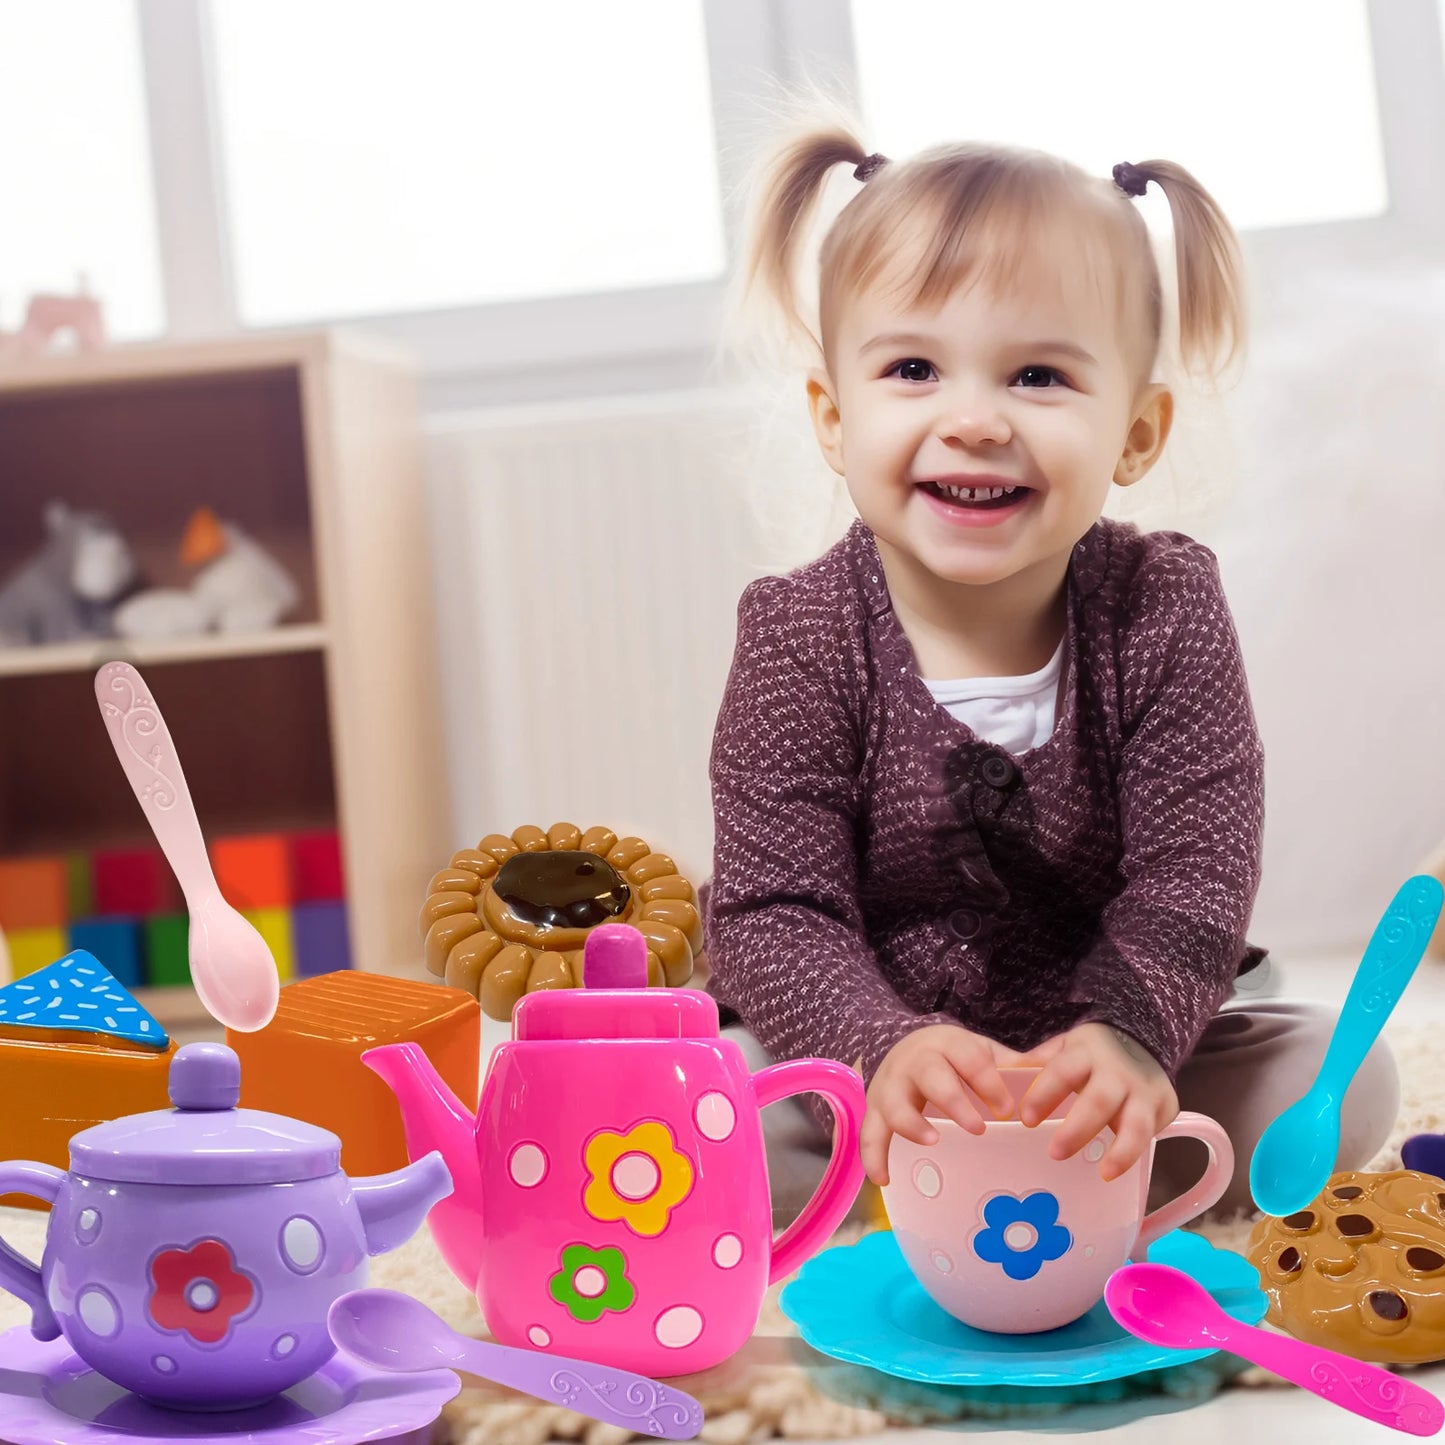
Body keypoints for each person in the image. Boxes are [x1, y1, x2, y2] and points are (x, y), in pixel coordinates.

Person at [704, 119, 1397, 1220]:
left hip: (1100, 1045)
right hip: (877, 1054)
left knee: (1340, 1077)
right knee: (705, 1119)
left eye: (1036, 374)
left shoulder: (1161, 606)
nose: (972, 419)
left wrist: (1126, 1036)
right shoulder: (797, 632)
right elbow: (774, 908)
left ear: (1134, 432)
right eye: (912, 368)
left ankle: (1051, 1172)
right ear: (834, 418)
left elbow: (1194, 869)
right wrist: (876, 1046)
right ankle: (922, 1175)